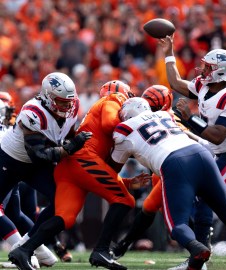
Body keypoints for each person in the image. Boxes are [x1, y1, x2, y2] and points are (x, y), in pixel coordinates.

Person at [111, 96, 226, 270]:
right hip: (202, 154)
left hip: (175, 163)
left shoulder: (124, 128)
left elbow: (115, 163)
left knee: (177, 225)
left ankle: (197, 249)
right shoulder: (165, 115)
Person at [8, 80, 151, 270]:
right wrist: (133, 128)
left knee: (65, 217)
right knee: (125, 200)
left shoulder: (101, 107)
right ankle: (101, 250)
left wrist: (124, 181)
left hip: (72, 165)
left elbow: (106, 171)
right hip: (83, 158)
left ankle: (24, 250)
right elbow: (110, 124)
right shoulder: (114, 98)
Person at [160, 34, 226, 269]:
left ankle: (198, 262)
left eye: (208, 66)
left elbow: (217, 134)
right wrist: (169, 53)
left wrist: (189, 119)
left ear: (220, 72)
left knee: (207, 199)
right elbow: (176, 83)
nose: (201, 68)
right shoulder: (204, 84)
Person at [112, 85, 211, 270]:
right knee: (154, 208)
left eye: (154, 105)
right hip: (182, 164)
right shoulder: (167, 117)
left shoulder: (168, 118)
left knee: (173, 218)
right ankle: (123, 245)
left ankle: (199, 252)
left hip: (177, 167)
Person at [0, 72, 91, 268]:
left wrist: (72, 144)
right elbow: (40, 155)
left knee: (62, 201)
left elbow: (67, 133)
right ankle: (31, 249)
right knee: (11, 211)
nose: (67, 106)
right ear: (48, 97)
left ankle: (25, 247)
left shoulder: (72, 105)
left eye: (69, 101)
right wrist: (69, 147)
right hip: (9, 161)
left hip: (34, 166)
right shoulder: (32, 112)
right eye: (61, 101)